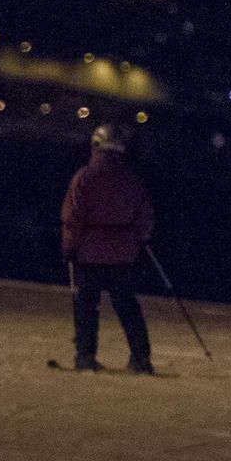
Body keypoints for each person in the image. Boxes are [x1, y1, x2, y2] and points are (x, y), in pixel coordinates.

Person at [60, 123, 155, 373]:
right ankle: (141, 358)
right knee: (127, 306)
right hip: (123, 255)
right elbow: (144, 215)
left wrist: (69, 247)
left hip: (89, 253)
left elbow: (73, 218)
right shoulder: (131, 180)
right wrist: (141, 238)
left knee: (86, 307)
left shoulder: (84, 177)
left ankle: (85, 357)